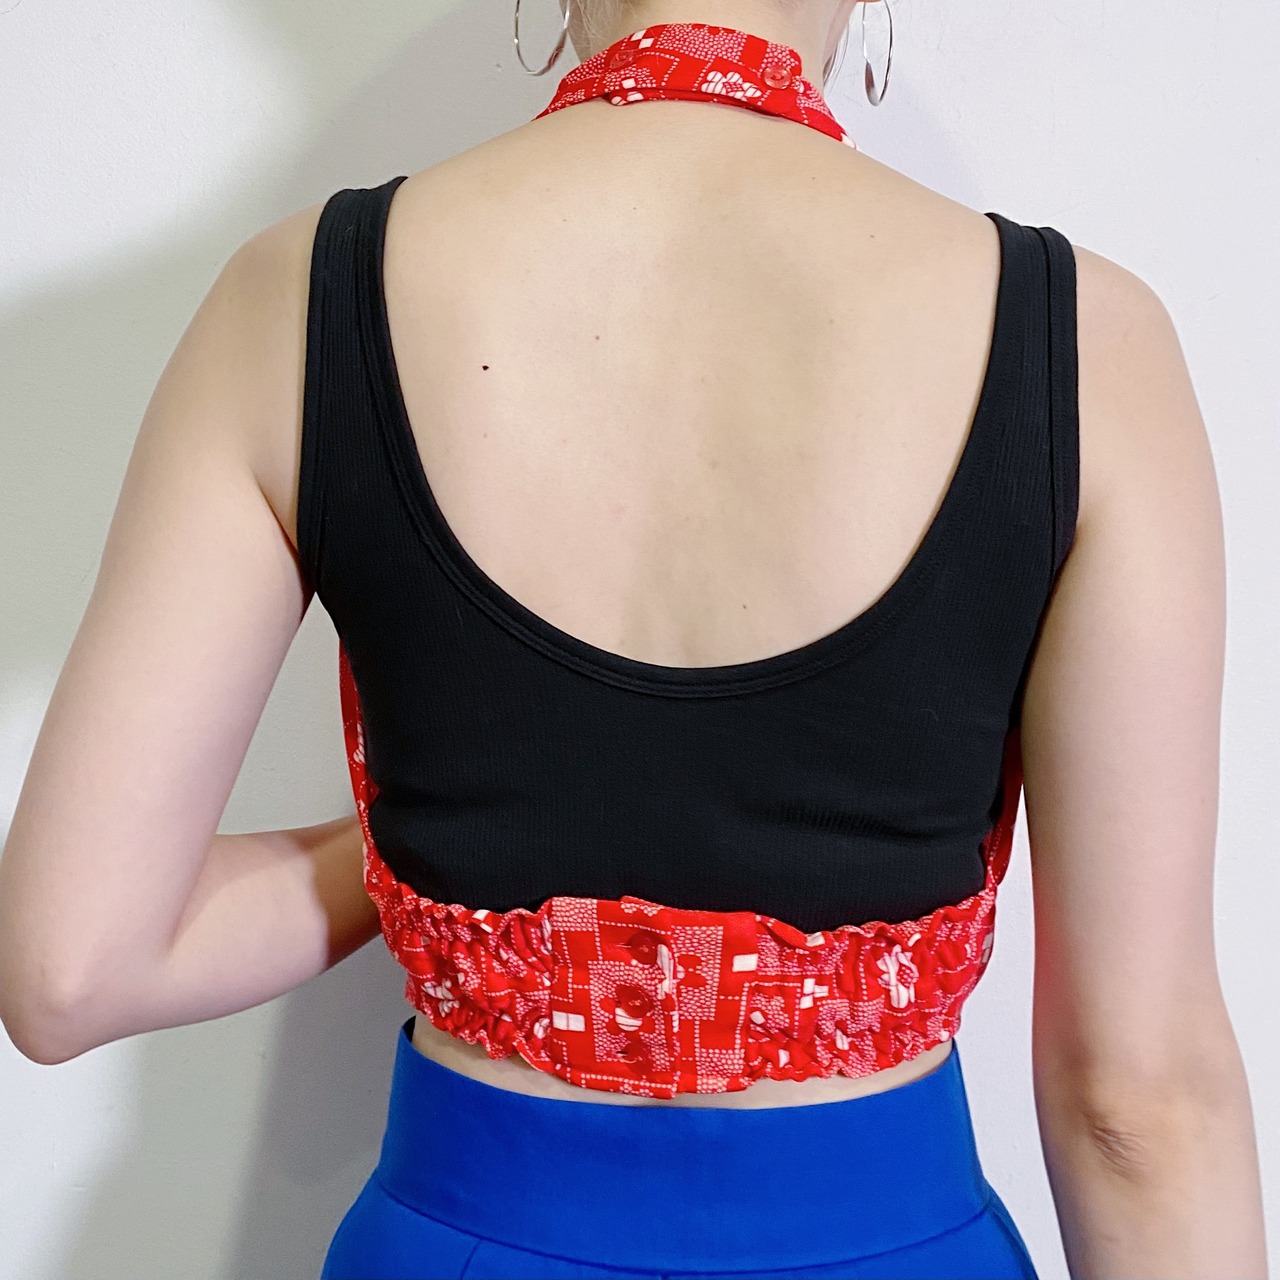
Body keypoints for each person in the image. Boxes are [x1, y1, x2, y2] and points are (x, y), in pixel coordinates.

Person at [0, 0, 1266, 1276]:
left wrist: (418, 858)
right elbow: (1136, 1102)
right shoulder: (1084, 346)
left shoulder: (298, 298)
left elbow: (73, 969)